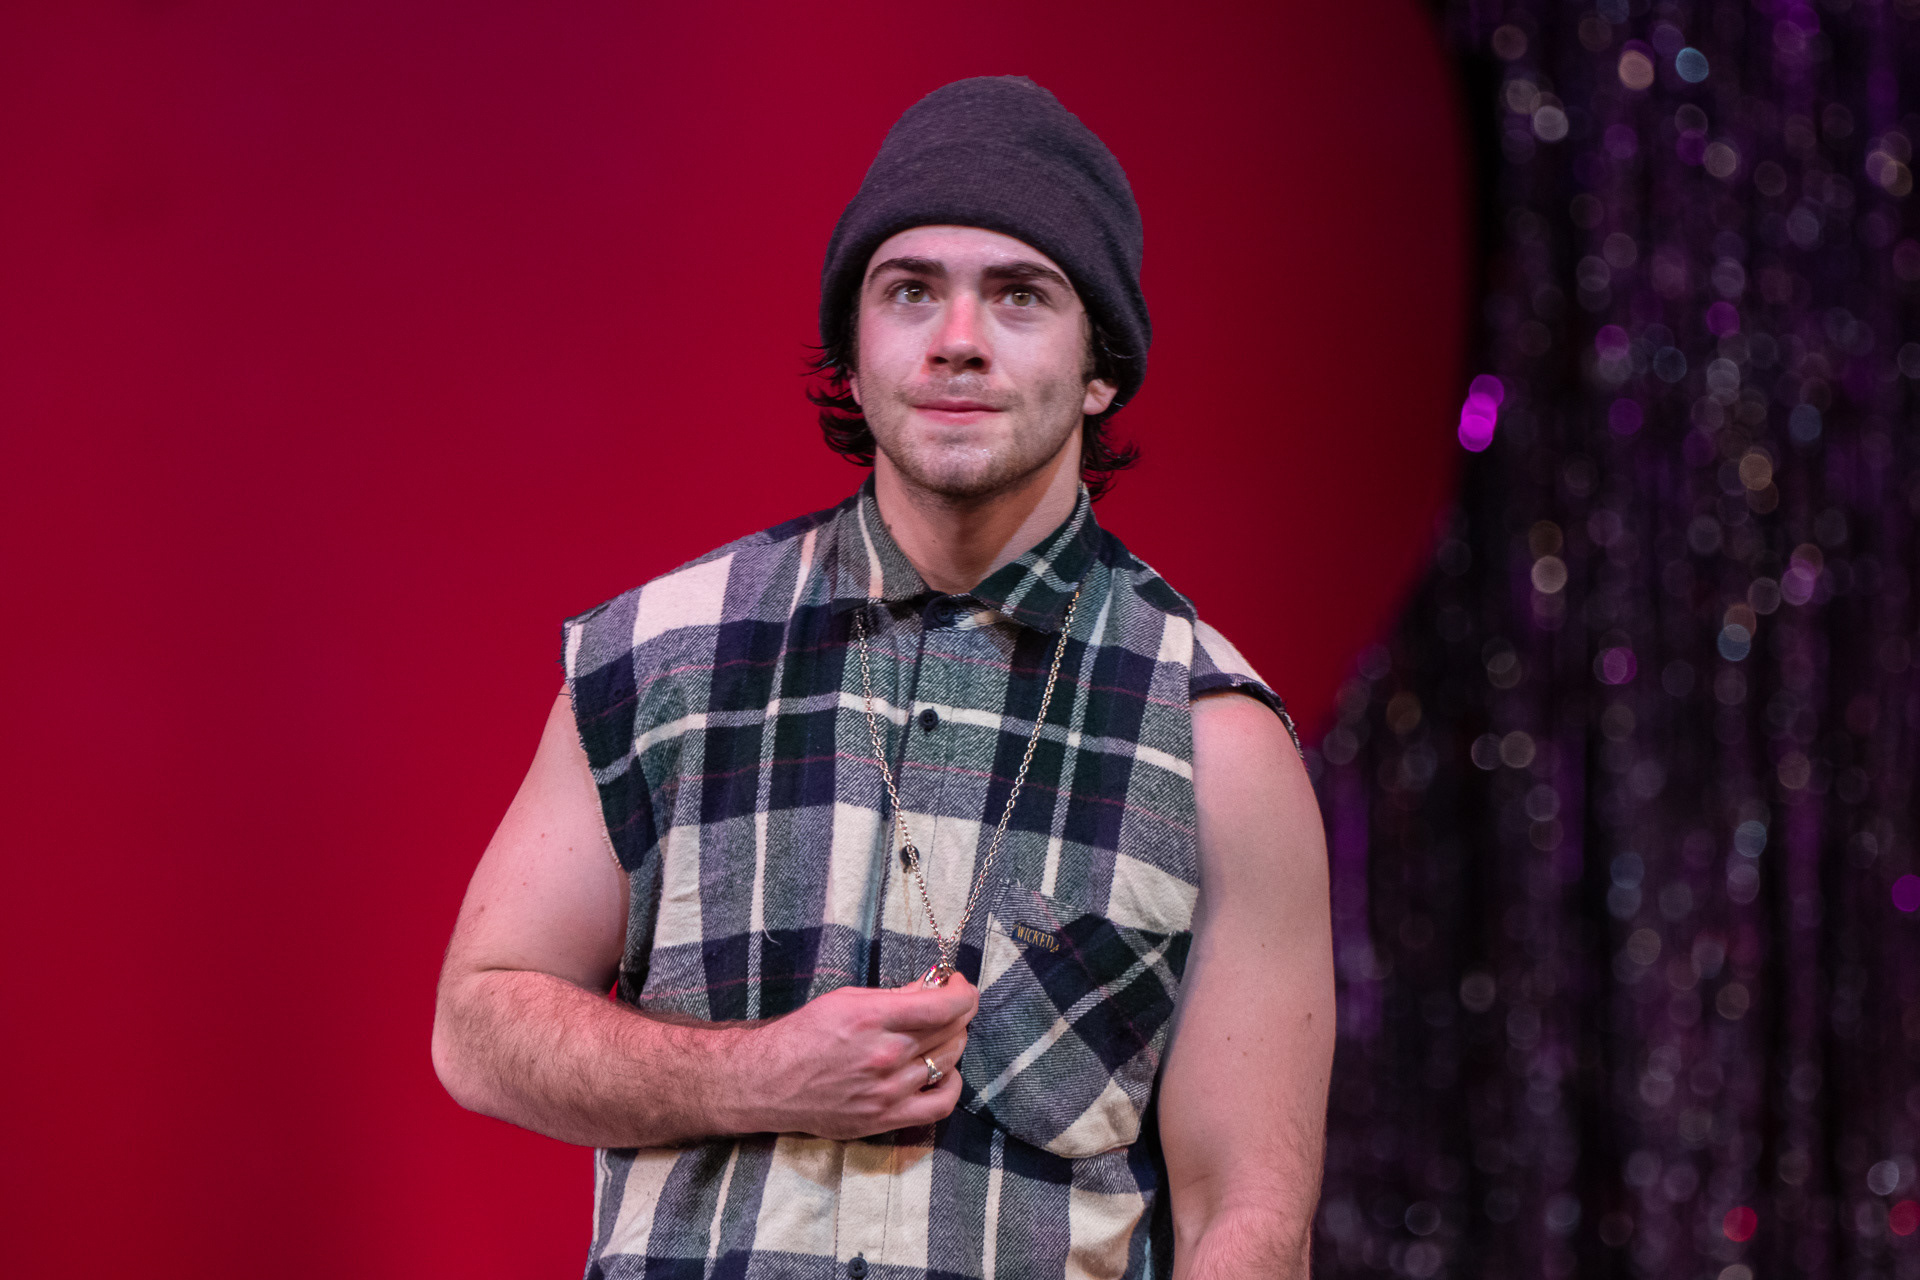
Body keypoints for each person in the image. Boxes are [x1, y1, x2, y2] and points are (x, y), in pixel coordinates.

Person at [432, 75, 1334, 1279]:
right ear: (854, 359)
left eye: (1020, 294)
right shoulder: (661, 657)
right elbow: (479, 1023)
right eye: (910, 290)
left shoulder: (1213, 736)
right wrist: (759, 1071)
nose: (957, 337)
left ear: (1102, 367)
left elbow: (1250, 1215)